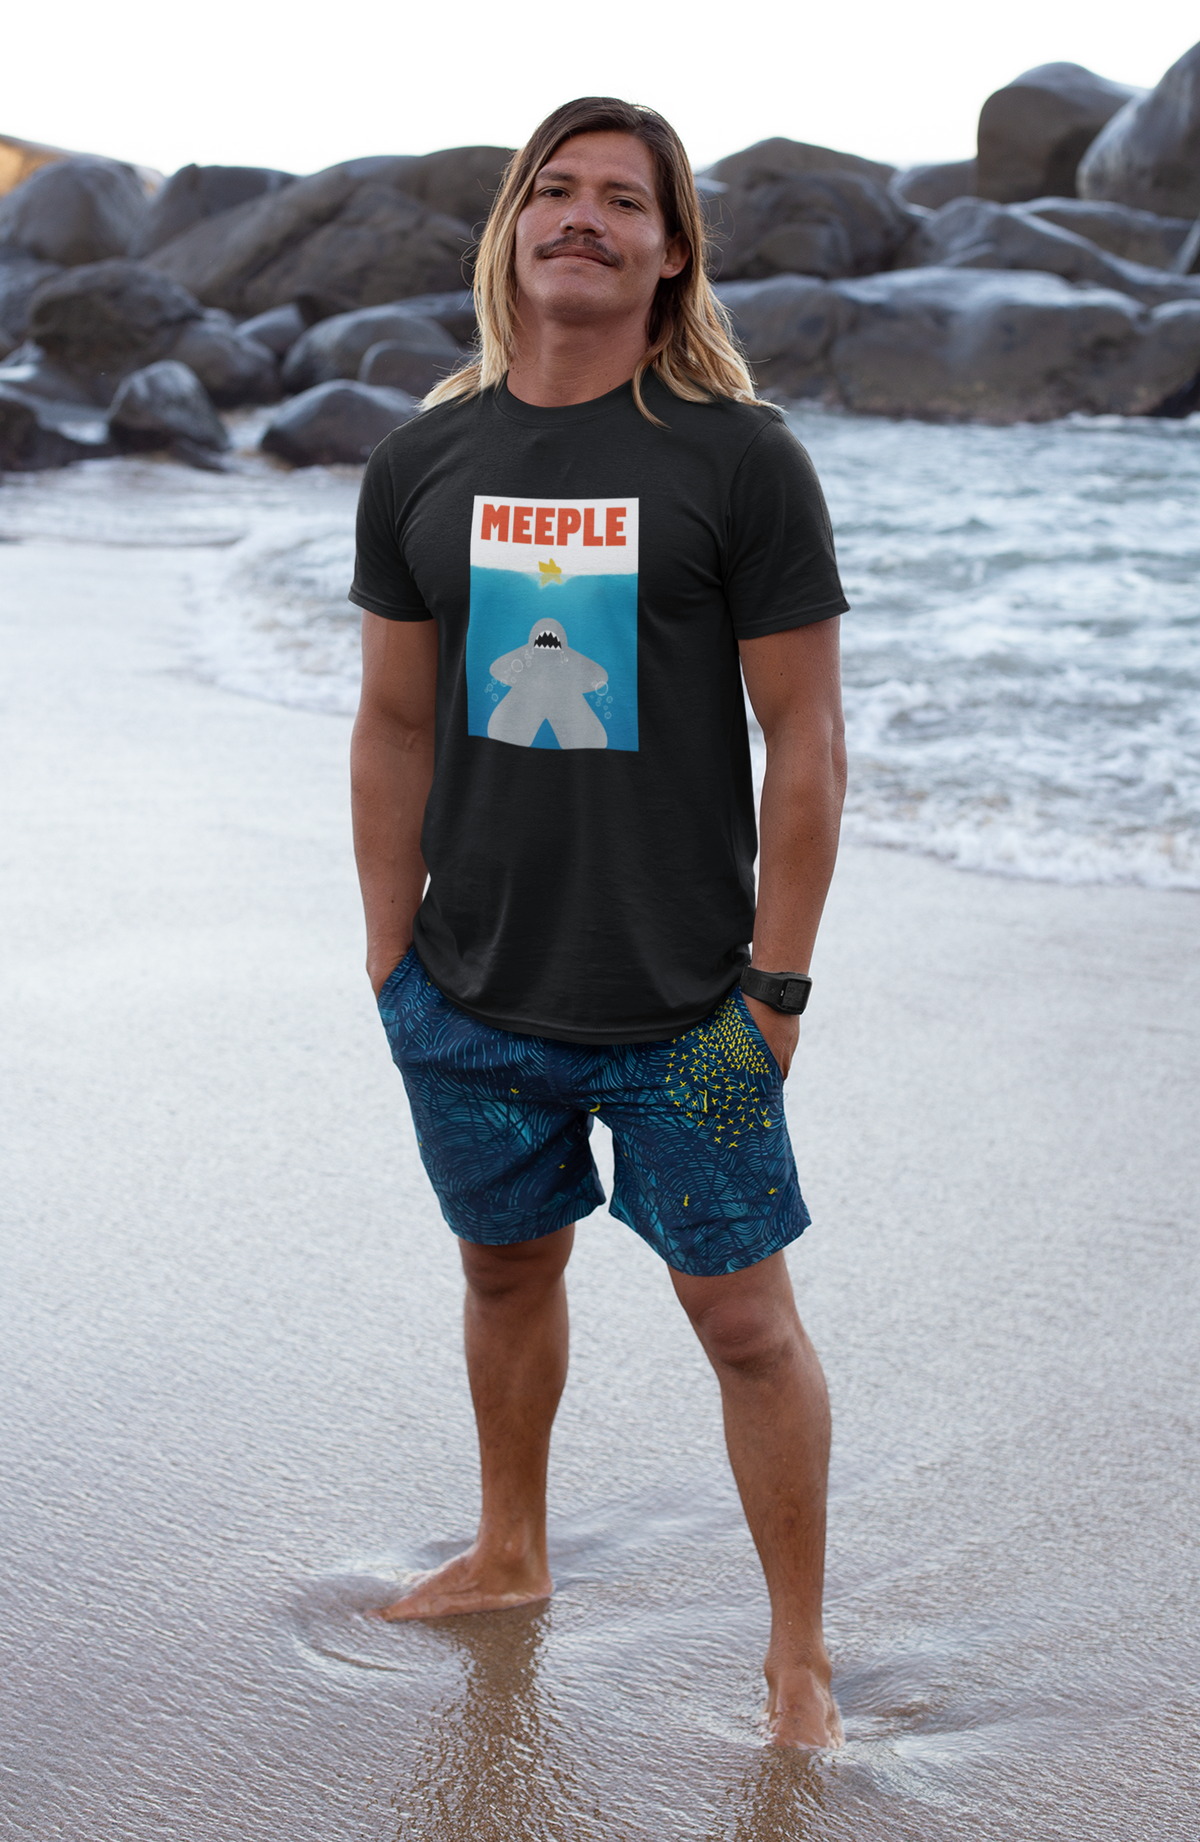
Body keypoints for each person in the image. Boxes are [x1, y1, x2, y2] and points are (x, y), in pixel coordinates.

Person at [348, 96, 848, 1750]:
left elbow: (809, 743)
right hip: (470, 988)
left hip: (688, 999)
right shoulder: (423, 458)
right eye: (550, 193)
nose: (581, 217)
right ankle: (510, 1546)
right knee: (504, 1267)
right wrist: (384, 946)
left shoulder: (738, 458)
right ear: (509, 233)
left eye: (619, 200)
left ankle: (796, 1658)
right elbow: (397, 723)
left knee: (747, 1321)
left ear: (668, 248)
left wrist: (775, 982)